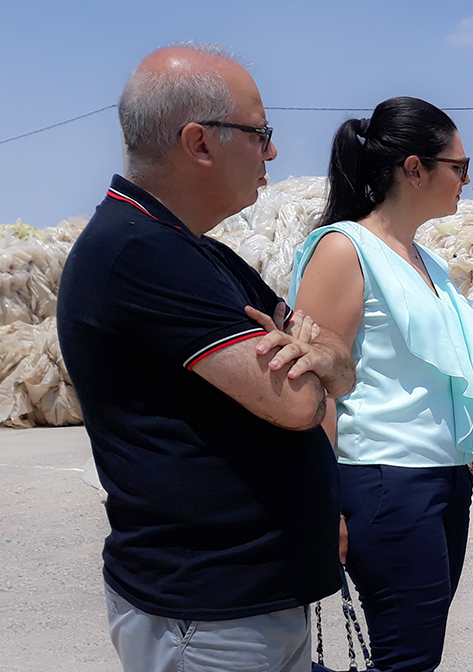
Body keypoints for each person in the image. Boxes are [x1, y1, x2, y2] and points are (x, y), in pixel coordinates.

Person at [57, 44, 355, 672]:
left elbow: (340, 362)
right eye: (261, 133)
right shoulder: (140, 255)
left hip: (247, 603)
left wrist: (324, 358)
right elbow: (301, 400)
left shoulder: (197, 255)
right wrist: (319, 364)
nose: (272, 153)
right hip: (210, 615)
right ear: (198, 142)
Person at [287, 97, 473, 672]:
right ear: (413, 169)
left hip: (444, 479)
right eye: (458, 165)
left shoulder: (425, 260)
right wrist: (322, 504)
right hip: (385, 480)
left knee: (412, 655)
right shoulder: (343, 249)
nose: (466, 178)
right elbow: (314, 384)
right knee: (408, 659)